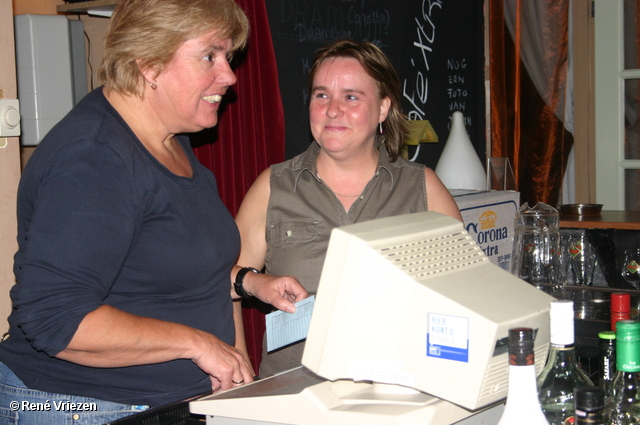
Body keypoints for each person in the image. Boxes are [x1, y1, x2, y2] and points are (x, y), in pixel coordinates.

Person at [0, 0, 306, 423]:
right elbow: (56, 321)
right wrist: (197, 344)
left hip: (166, 404)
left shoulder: (167, 139)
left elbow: (161, 267)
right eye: (209, 56)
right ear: (149, 63)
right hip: (85, 408)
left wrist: (249, 282)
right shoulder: (93, 158)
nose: (229, 75)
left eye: (228, 56)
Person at [235, 39, 463, 378]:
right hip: (290, 400)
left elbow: (463, 298)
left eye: (351, 97)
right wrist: (241, 374)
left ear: (383, 108)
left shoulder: (423, 189)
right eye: (321, 94)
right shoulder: (273, 187)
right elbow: (224, 285)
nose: (332, 110)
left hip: (397, 394)